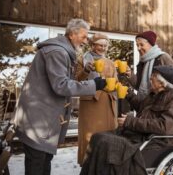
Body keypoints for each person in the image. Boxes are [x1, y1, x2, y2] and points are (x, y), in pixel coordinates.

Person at [11, 18, 107, 175]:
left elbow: (67, 81)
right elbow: (61, 85)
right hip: (38, 122)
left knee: (43, 161)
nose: (86, 40)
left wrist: (87, 72)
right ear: (71, 34)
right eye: (83, 36)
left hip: (41, 121)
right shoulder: (57, 52)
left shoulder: (63, 51)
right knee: (37, 165)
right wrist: (94, 85)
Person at [80, 65, 173, 175]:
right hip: (138, 135)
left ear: (162, 83)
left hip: (155, 141)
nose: (150, 78)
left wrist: (130, 122)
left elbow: (164, 127)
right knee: (97, 138)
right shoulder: (155, 94)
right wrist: (128, 94)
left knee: (106, 143)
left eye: (153, 76)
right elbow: (142, 106)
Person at [76, 33, 118, 165]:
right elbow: (76, 80)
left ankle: (105, 165)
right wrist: (86, 71)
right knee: (90, 136)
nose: (103, 48)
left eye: (105, 46)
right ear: (93, 45)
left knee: (107, 135)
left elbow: (115, 82)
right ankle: (88, 165)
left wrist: (114, 86)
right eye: (100, 45)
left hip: (107, 102)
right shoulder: (82, 60)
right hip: (90, 103)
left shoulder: (110, 63)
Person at [126, 30, 173, 101]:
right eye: (137, 45)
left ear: (150, 44)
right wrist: (130, 74)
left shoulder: (162, 57)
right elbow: (138, 86)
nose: (138, 48)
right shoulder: (142, 62)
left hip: (160, 104)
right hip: (144, 104)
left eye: (141, 45)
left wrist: (171, 99)